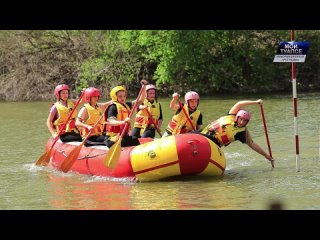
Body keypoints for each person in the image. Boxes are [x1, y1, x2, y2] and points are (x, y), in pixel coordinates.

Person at [200, 99, 275, 167]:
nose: (242, 122)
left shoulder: (242, 133)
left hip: (214, 144)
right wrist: (255, 102)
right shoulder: (231, 115)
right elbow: (239, 104)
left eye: (245, 121)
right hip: (202, 135)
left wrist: (266, 156)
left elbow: (252, 144)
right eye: (241, 119)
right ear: (237, 117)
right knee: (193, 133)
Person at [105, 80, 147, 148]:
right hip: (112, 138)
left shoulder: (127, 105)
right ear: (115, 97)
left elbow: (141, 100)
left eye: (124, 96)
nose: (123, 98)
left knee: (134, 139)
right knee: (134, 140)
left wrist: (144, 86)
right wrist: (123, 122)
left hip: (123, 136)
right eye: (120, 96)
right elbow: (111, 122)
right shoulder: (113, 107)